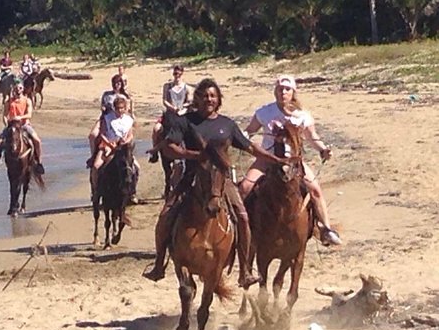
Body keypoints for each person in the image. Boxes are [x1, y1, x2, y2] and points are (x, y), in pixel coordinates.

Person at [142, 78, 286, 287]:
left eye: (213, 96)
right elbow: (170, 147)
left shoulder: (227, 124)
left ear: (218, 99)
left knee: (243, 217)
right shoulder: (186, 121)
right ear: (197, 99)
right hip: (192, 177)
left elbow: (250, 148)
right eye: (204, 96)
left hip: (221, 180)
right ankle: (158, 263)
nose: (209, 99)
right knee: (166, 214)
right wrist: (194, 155)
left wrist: (275, 159)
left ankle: (244, 270)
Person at [238, 74, 342, 246]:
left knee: (315, 190)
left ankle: (325, 229)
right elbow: (250, 130)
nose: (283, 92)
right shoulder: (264, 112)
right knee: (245, 187)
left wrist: (323, 149)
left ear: (293, 92)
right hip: (268, 158)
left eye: (287, 89)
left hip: (293, 161)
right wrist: (240, 138)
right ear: (275, 91)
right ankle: (238, 226)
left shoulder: (302, 116)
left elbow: (312, 137)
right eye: (280, 89)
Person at [0, 78, 45, 176]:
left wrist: (20, 117)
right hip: (12, 125)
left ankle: (39, 163)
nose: (18, 90)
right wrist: (7, 124)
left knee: (37, 140)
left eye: (20, 88)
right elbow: (5, 115)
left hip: (24, 125)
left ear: (22, 89)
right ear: (13, 89)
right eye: (16, 88)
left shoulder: (27, 100)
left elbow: (29, 115)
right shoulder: (9, 101)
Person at [90, 97, 137, 214]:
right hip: (108, 146)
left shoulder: (128, 120)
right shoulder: (107, 118)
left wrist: (125, 142)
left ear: (125, 108)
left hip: (123, 147)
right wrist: (110, 144)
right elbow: (102, 133)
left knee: (136, 167)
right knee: (96, 166)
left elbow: (130, 135)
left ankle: (132, 191)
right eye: (118, 108)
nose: (120, 110)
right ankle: (96, 190)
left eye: (122, 108)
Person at [87, 74, 133, 168]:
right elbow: (102, 106)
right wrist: (104, 109)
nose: (116, 85)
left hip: (121, 118)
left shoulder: (125, 96)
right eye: (115, 83)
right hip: (106, 118)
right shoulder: (107, 94)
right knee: (93, 135)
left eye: (118, 83)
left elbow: (128, 109)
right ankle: (93, 155)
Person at [149, 65, 192, 163]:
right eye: (175, 73)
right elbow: (164, 100)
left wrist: (182, 106)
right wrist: (172, 108)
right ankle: (154, 152)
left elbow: (189, 101)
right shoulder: (167, 86)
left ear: (182, 73)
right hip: (169, 114)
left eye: (178, 73)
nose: (176, 75)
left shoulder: (187, 88)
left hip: (182, 114)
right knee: (156, 129)